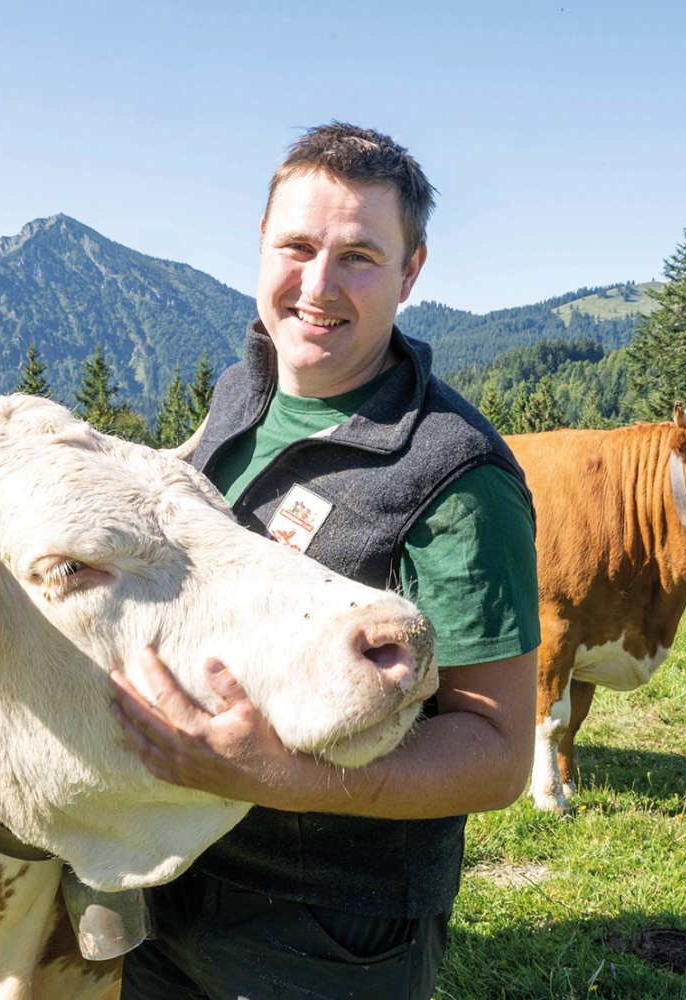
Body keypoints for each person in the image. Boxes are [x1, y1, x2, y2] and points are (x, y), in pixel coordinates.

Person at [109, 122, 540, 1000]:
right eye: (297, 247)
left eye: (359, 257)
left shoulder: (457, 477)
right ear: (260, 245)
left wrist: (282, 776)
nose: (316, 286)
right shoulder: (243, 392)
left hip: (324, 928)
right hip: (164, 874)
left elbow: (497, 753)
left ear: (413, 271)